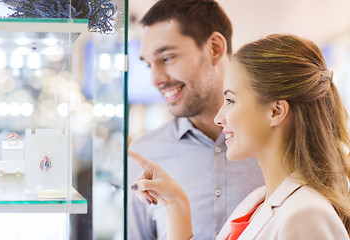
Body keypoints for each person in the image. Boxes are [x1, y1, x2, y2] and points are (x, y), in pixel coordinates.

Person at [129, 33, 350, 240]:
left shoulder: (306, 214)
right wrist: (176, 204)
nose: (219, 117)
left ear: (276, 111)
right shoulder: (255, 202)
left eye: (231, 100)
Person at [128, 0, 264, 239]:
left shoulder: (277, 139)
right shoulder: (144, 155)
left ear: (214, 48)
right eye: (149, 64)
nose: (156, 79)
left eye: (167, 58)